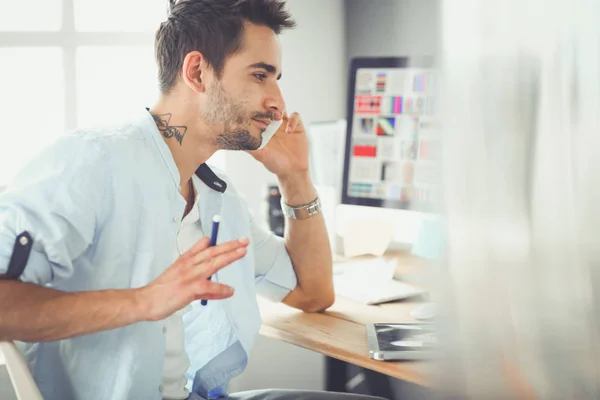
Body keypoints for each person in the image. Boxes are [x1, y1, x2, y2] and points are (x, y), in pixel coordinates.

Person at [0, 1, 386, 399]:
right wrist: (144, 301)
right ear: (197, 71)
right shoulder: (92, 163)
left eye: (276, 79)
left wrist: (296, 176)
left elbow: (313, 293)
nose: (278, 104)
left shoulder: (216, 196)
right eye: (260, 75)